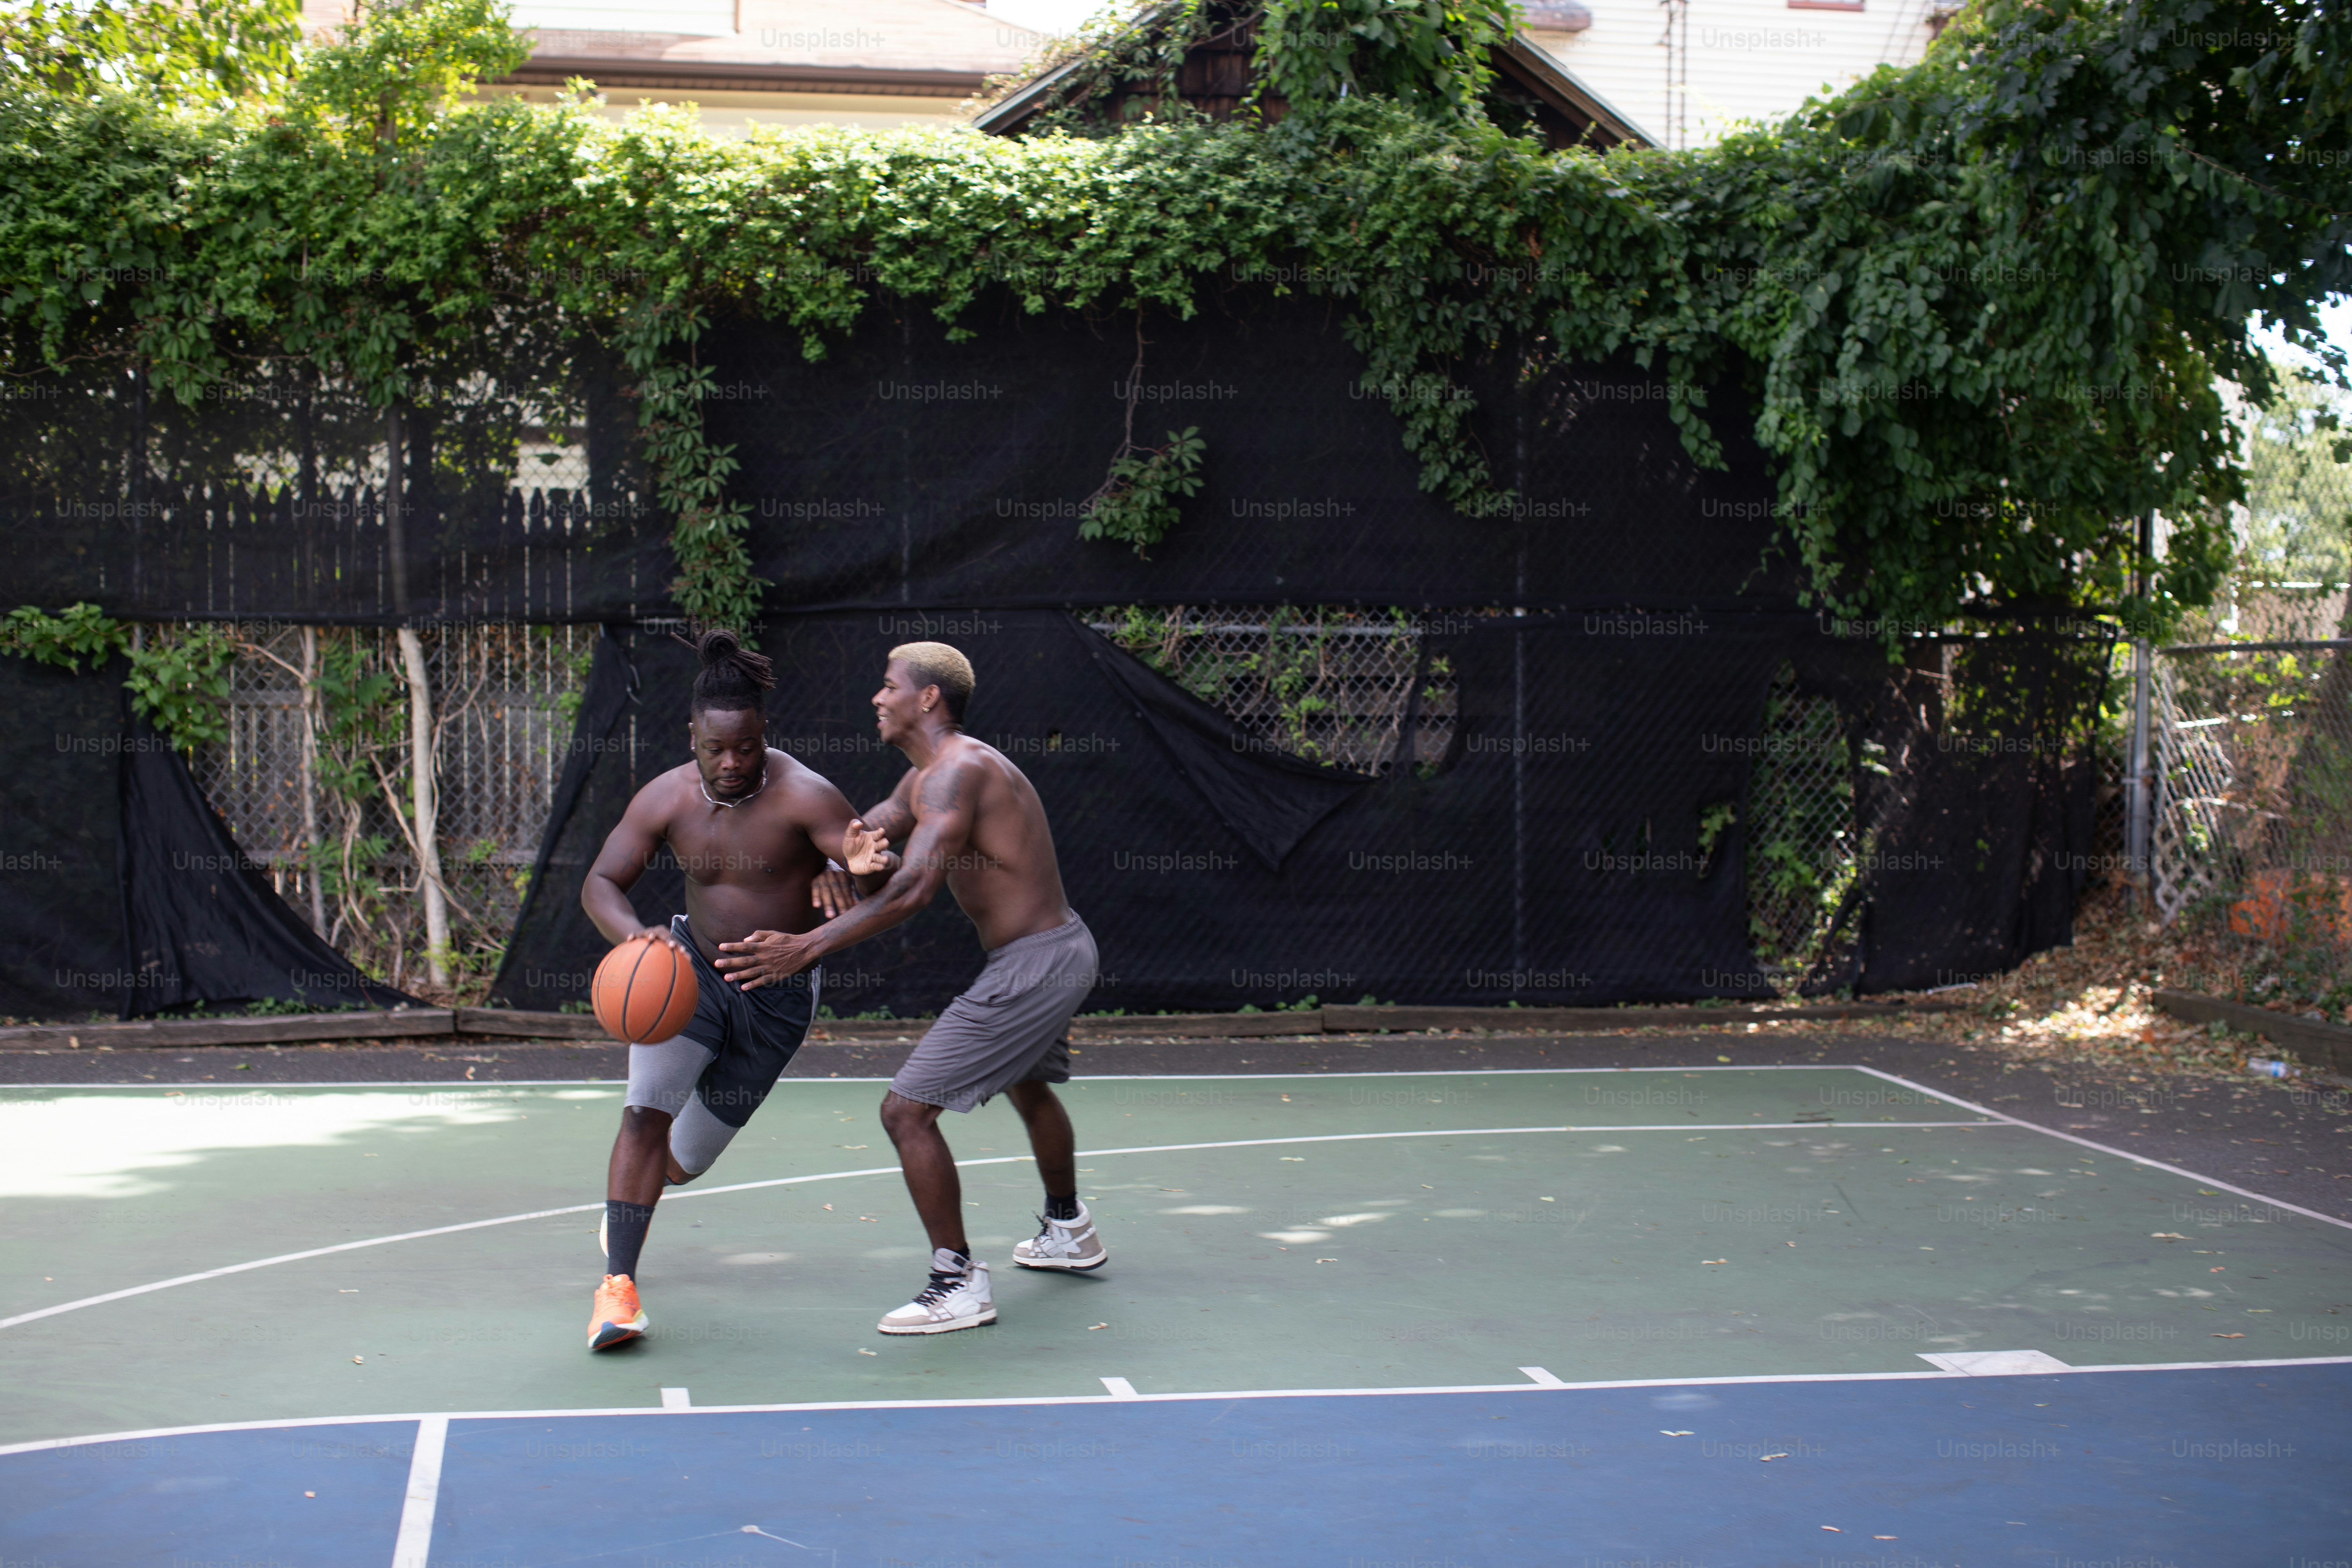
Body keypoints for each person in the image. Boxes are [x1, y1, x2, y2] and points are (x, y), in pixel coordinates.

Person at [713, 640, 1102, 1335]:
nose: (877, 697)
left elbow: (916, 886)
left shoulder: (959, 773)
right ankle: (1069, 1226)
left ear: (927, 698)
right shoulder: (924, 777)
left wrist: (806, 946)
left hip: (1037, 962)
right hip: (1054, 952)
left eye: (888, 685)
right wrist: (840, 857)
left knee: (906, 1110)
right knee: (1029, 1085)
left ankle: (956, 1280)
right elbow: (872, 834)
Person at [576, 629, 872, 1351]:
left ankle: (638, 1196)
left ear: (764, 735)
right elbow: (601, 881)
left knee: (684, 1159)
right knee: (644, 1117)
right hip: (689, 975)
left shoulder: (806, 794)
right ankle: (618, 1292)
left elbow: (887, 882)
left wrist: (853, 875)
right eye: (719, 748)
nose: (735, 761)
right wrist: (636, 937)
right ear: (694, 738)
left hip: (776, 1002)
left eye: (749, 746)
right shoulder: (667, 797)